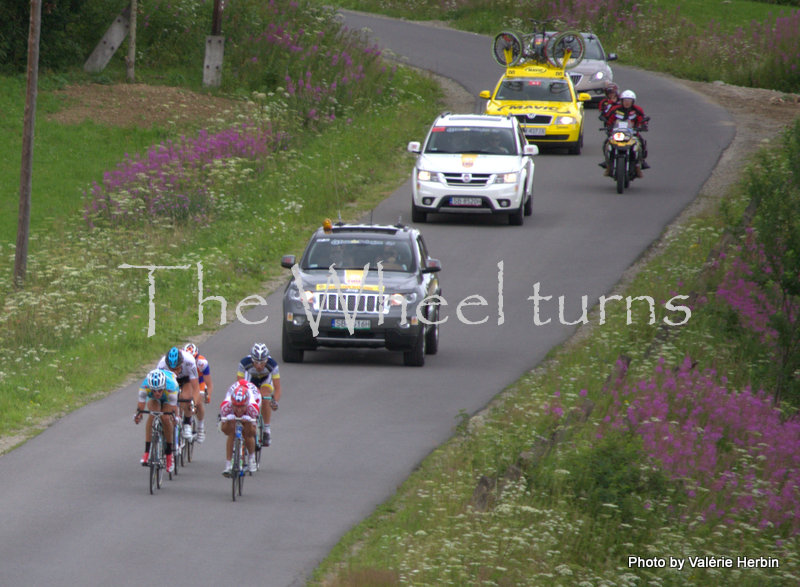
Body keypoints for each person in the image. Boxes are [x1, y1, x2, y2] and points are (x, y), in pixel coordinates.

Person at [134, 368, 180, 473]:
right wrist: (138, 415)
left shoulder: (171, 386)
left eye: (159, 390)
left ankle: (169, 455)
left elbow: (174, 410)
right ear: (150, 387)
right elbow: (140, 407)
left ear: (163, 387)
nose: (157, 393)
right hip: (153, 400)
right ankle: (146, 452)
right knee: (153, 414)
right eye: (154, 390)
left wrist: (175, 418)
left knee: (165, 417)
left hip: (169, 398)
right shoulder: (145, 386)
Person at [157, 346, 205, 443]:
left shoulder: (189, 361)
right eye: (171, 368)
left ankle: (187, 422)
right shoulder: (162, 364)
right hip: (169, 380)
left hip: (186, 379)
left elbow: (196, 388)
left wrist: (193, 405)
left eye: (177, 368)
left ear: (182, 363)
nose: (174, 371)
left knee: (185, 397)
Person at [237, 343, 280, 447]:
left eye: (262, 362)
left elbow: (277, 387)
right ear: (252, 360)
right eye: (256, 362)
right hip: (251, 380)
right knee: (246, 396)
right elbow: (240, 384)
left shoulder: (273, 365)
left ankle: (267, 430)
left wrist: (274, 401)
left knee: (265, 398)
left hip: (266, 381)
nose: (259, 366)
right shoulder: (244, 363)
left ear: (267, 360)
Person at [604, 89, 650, 177]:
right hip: (617, 134)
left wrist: (643, 125)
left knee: (642, 143)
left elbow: (642, 119)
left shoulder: (637, 110)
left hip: (632, 135)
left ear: (633, 101)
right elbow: (609, 119)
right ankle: (608, 164)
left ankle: (639, 164)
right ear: (621, 101)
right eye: (625, 100)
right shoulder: (615, 109)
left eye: (629, 101)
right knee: (606, 143)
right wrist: (608, 126)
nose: (627, 103)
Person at [219, 379, 260, 475]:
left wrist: (249, 423)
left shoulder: (252, 407)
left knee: (247, 434)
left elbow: (253, 432)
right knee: (231, 432)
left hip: (254, 393)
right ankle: (228, 465)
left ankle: (251, 458)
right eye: (236, 407)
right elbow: (224, 430)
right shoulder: (226, 407)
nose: (239, 410)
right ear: (231, 404)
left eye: (242, 407)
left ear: (246, 404)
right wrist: (229, 422)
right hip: (235, 389)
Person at [184, 342, 213, 409]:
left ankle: (200, 419)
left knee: (198, 402)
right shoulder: (181, 361)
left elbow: (209, 384)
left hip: (200, 382)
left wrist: (208, 395)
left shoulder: (202, 363)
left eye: (194, 358)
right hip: (187, 381)